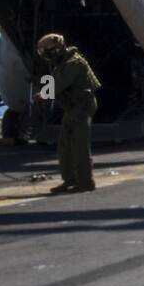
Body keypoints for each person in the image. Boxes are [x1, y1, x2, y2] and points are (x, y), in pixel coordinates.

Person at [35, 33, 101, 193]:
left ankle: (86, 182)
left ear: (57, 50)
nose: (47, 57)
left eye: (48, 53)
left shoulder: (74, 63)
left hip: (82, 107)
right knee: (65, 146)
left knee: (80, 146)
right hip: (73, 108)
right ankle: (69, 181)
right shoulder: (61, 64)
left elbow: (58, 85)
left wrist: (43, 94)